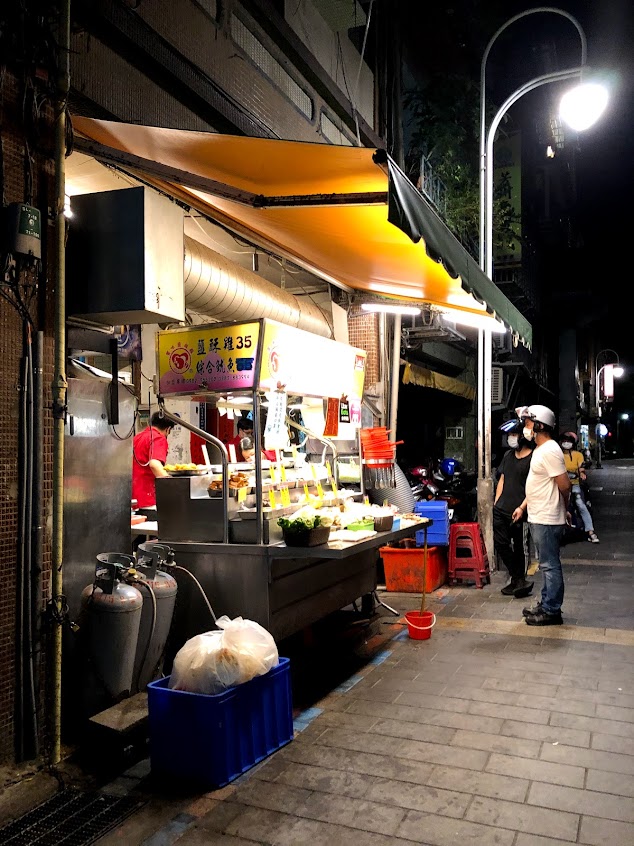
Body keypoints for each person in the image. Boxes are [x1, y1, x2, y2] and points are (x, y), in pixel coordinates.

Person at [512, 405, 572, 626]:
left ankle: (552, 610)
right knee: (546, 564)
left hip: (547, 518)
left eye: (528, 423)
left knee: (549, 565)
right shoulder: (540, 449)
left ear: (539, 425)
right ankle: (547, 603)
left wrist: (565, 509)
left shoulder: (550, 450)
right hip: (539, 516)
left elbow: (564, 485)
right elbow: (539, 484)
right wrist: (523, 506)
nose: (525, 428)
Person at [493, 421, 534, 598]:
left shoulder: (534, 458)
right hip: (501, 509)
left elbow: (534, 487)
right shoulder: (508, 455)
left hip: (521, 511)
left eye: (514, 436)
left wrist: (522, 507)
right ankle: (517, 578)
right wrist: (496, 503)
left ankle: (520, 580)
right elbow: (502, 479)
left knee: (520, 547)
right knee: (500, 543)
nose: (510, 439)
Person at [559, 431, 599, 543]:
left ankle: (590, 531)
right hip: (561, 485)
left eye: (569, 441)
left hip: (574, 484)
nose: (566, 443)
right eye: (564, 441)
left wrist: (582, 473)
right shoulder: (558, 455)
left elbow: (581, 468)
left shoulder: (578, 455)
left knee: (580, 504)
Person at [132, 412, 172, 508]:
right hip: (147, 498)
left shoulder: (137, 437)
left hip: (132, 496)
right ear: (168, 429)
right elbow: (154, 464)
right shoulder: (158, 438)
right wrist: (172, 486)